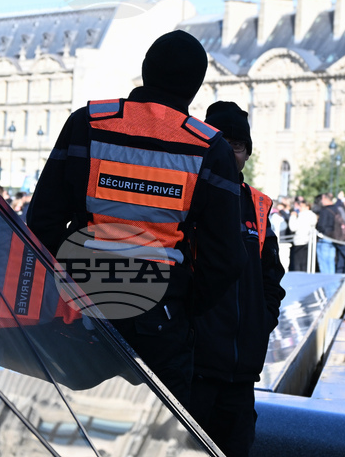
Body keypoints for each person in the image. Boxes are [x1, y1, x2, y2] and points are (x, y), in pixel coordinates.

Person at [27, 30, 247, 411]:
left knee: (70, 421)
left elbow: (42, 221)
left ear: (145, 70)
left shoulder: (87, 123)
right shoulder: (209, 147)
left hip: (82, 310)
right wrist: (183, 303)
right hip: (161, 320)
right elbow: (226, 258)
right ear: (196, 86)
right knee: (159, 432)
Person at [191, 102, 285, 457]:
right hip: (197, 368)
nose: (230, 152)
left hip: (241, 373)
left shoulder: (258, 207)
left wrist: (262, 323)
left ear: (247, 152)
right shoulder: (189, 197)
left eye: (237, 145)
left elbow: (271, 277)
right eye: (220, 142)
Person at [288, 196, 316, 272]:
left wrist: (293, 216)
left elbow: (293, 227)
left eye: (301, 206)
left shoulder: (303, 215)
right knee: (305, 264)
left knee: (298, 264)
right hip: (309, 242)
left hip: (300, 241)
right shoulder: (312, 215)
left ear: (307, 207)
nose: (299, 208)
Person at [315, 193, 339, 274]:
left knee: (323, 261)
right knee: (331, 260)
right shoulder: (336, 208)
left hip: (324, 237)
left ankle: (325, 279)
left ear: (325, 199)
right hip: (334, 237)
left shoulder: (324, 210)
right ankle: (331, 278)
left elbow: (322, 225)